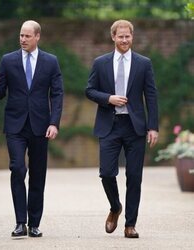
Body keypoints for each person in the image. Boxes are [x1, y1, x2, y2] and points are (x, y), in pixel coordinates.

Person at [0, 20, 63, 238]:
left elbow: (57, 94)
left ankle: (34, 224)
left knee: (38, 175)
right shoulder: (8, 60)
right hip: (15, 125)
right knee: (18, 168)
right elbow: (0, 93)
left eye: (27, 36)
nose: (22, 39)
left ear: (37, 36)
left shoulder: (51, 62)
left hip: (41, 126)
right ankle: (20, 222)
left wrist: (54, 122)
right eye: (21, 35)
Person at [85, 20, 158, 238]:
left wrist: (152, 127)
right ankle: (115, 207)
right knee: (106, 173)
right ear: (113, 37)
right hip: (110, 125)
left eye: (128, 36)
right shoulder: (101, 63)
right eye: (120, 36)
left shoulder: (144, 63)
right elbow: (89, 90)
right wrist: (108, 98)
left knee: (134, 177)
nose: (124, 40)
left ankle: (130, 225)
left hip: (135, 127)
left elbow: (151, 96)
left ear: (132, 37)